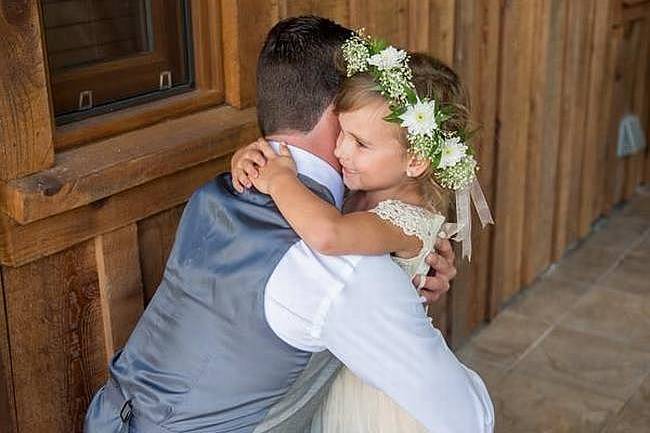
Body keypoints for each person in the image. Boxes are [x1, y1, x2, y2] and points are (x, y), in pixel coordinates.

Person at [84, 16, 469, 433]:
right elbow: (467, 414)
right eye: (352, 119)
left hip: (109, 415)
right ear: (334, 113)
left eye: (362, 136)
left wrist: (408, 282)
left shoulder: (215, 193)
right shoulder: (339, 268)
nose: (347, 143)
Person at [231, 32, 495, 432]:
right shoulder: (366, 181)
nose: (340, 152)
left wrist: (278, 179)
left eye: (359, 142)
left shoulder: (407, 217)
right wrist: (250, 155)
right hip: (338, 354)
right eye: (341, 133)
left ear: (416, 160)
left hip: (372, 378)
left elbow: (329, 234)